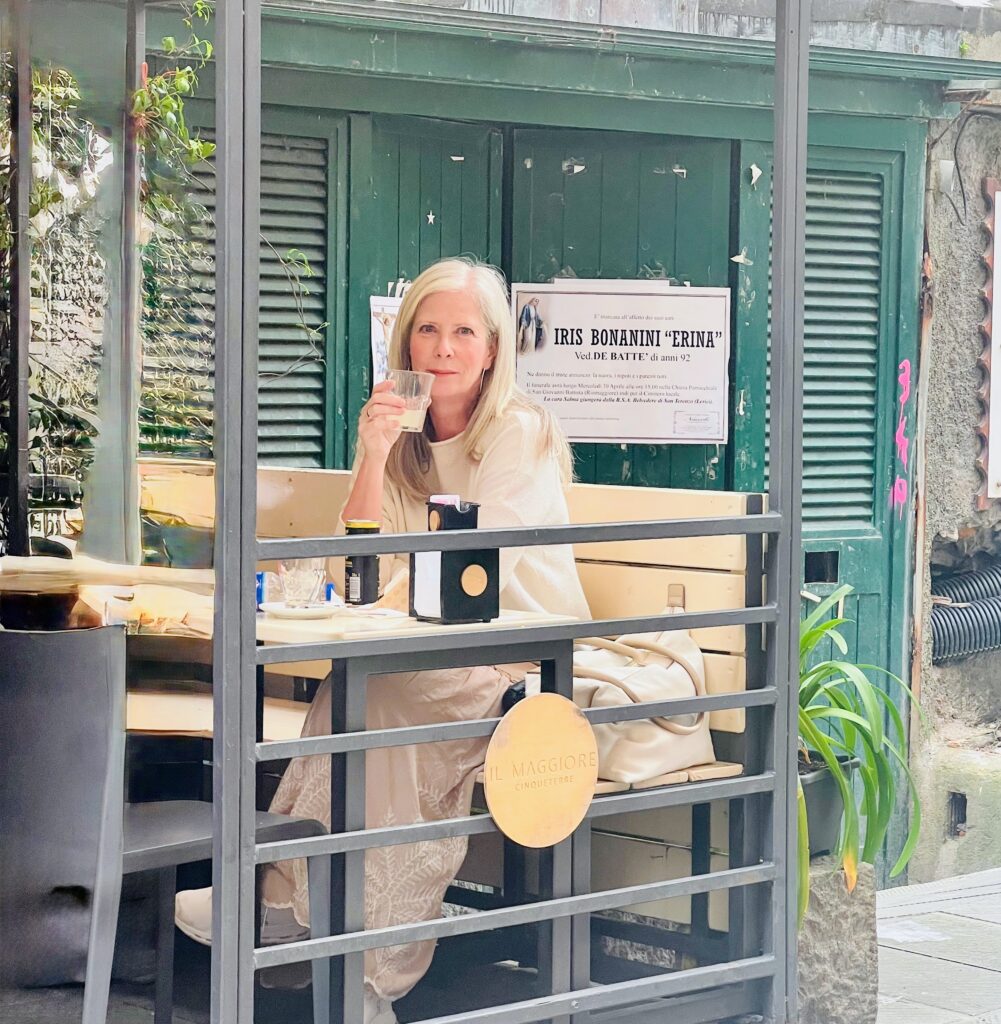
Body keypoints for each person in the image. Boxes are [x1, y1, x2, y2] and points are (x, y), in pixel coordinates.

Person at [175, 257, 590, 1024]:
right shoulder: (403, 436)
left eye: (463, 332)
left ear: (491, 350)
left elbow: (478, 566)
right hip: (420, 652)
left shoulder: (518, 431)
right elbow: (354, 568)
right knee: (357, 691)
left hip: (519, 660)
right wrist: (371, 455)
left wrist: (387, 597)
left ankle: (358, 963)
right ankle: (289, 907)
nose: (444, 347)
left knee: (383, 699)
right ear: (405, 344)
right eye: (427, 329)